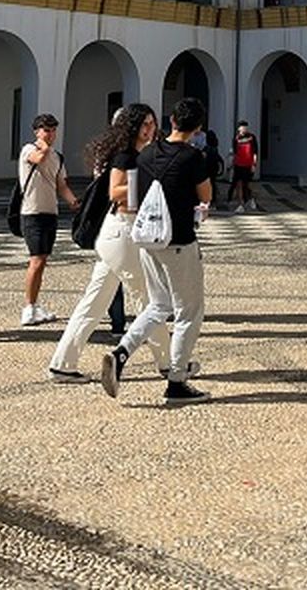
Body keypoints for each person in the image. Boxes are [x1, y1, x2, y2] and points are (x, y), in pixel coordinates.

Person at [101, 97, 216, 403]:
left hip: (148, 241)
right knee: (189, 312)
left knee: (158, 305)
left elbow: (133, 196)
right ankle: (177, 380)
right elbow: (206, 195)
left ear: (172, 121)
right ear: (198, 127)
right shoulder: (193, 157)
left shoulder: (147, 153)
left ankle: (122, 352)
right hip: (179, 241)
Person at [48, 104, 172, 382]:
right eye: (145, 124)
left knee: (94, 302)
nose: (151, 128)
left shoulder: (141, 155)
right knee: (150, 299)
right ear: (132, 127)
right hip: (122, 234)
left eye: (153, 123)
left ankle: (62, 363)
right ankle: (169, 363)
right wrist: (151, 183)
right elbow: (115, 191)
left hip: (120, 235)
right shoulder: (125, 156)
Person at [17, 113, 81, 326]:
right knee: (36, 260)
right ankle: (28, 307)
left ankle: (34, 304)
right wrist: (43, 145)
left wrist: (73, 201)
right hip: (32, 212)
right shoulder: (29, 149)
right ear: (37, 131)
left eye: (53, 130)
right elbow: (38, 158)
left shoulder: (57, 157)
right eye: (46, 130)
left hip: (50, 212)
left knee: (43, 259)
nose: (51, 134)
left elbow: (61, 185)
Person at [228, 119, 262, 213]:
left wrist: (254, 164)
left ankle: (251, 198)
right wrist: (232, 164)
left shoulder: (252, 137)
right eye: (242, 127)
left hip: (248, 164)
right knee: (239, 184)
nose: (244, 129)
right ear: (239, 128)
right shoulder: (236, 138)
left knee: (247, 184)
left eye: (246, 127)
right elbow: (235, 153)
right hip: (238, 164)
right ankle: (241, 204)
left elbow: (255, 152)